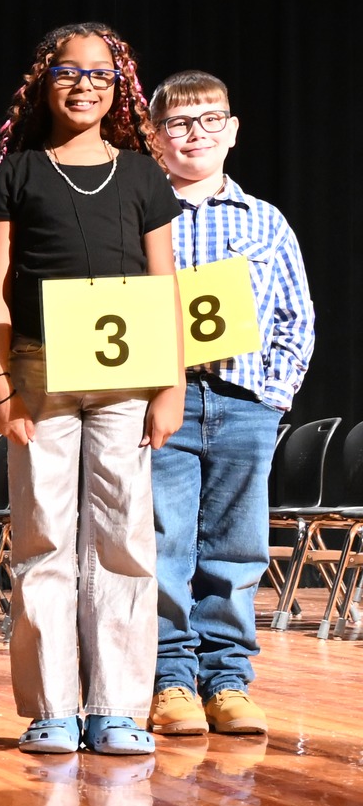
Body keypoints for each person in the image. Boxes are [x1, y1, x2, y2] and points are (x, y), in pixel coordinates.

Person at [0, 22, 184, 758]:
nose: (84, 84)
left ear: (118, 85)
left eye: (100, 73)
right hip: (38, 371)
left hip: (127, 378)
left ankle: (117, 707)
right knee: (41, 536)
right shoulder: (16, 174)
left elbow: (165, 285)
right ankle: (52, 707)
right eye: (69, 70)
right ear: (44, 81)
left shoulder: (143, 177)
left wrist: (170, 385)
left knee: (124, 537)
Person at [145, 71, 313, 737]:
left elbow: (295, 317)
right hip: (164, 404)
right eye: (179, 123)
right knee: (165, 542)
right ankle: (171, 679)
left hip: (244, 404)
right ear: (156, 137)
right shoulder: (139, 212)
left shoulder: (264, 220)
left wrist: (271, 396)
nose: (196, 134)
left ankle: (228, 680)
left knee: (237, 548)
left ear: (233, 130)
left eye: (210, 120)